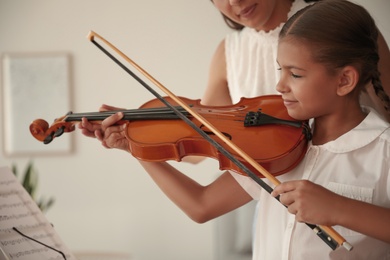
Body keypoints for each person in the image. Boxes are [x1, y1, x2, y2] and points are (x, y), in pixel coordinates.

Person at [79, 0, 390, 258]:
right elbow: (200, 206)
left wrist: (339, 208)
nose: (279, 85)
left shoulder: (384, 149)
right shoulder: (276, 149)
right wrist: (134, 146)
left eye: (295, 74)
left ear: (345, 80)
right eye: (280, 70)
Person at [204, 0, 390, 123]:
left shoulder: (337, 22)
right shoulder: (227, 52)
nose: (234, 1)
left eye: (295, 74)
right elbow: (205, 136)